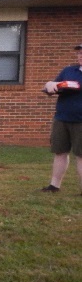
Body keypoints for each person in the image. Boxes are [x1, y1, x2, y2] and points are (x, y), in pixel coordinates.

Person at [41, 43, 82, 194]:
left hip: (80, 120)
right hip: (62, 117)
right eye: (79, 53)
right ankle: (54, 185)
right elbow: (54, 84)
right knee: (60, 152)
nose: (80, 55)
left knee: (81, 155)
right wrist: (51, 85)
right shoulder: (68, 70)